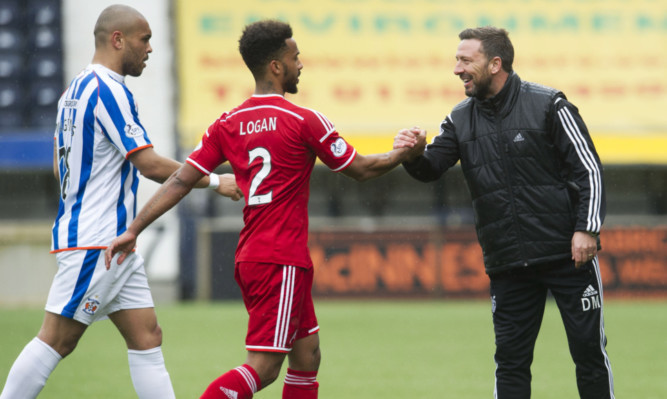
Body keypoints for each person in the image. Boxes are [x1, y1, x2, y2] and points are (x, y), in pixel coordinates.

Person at [105, 19, 425, 399]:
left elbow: (179, 180)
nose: (300, 64)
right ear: (276, 66)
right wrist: (405, 153)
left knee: (307, 356)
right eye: (295, 57)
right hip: (281, 258)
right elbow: (361, 169)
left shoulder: (227, 123)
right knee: (265, 366)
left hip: (255, 255)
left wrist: (134, 228)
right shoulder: (304, 120)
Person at [0, 5, 241, 399]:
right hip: (97, 240)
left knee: (147, 335)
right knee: (57, 339)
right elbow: (148, 164)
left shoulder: (73, 91)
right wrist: (215, 180)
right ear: (118, 40)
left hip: (112, 241)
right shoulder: (108, 90)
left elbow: (76, 168)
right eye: (144, 40)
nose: (149, 49)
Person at [395, 26, 614, 398]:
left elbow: (588, 168)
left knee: (588, 354)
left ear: (495, 63)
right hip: (508, 262)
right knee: (511, 362)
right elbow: (431, 168)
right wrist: (414, 154)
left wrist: (587, 229)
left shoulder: (548, 104)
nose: (457, 69)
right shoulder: (460, 118)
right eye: (456, 60)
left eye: (466, 60)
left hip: (567, 256)